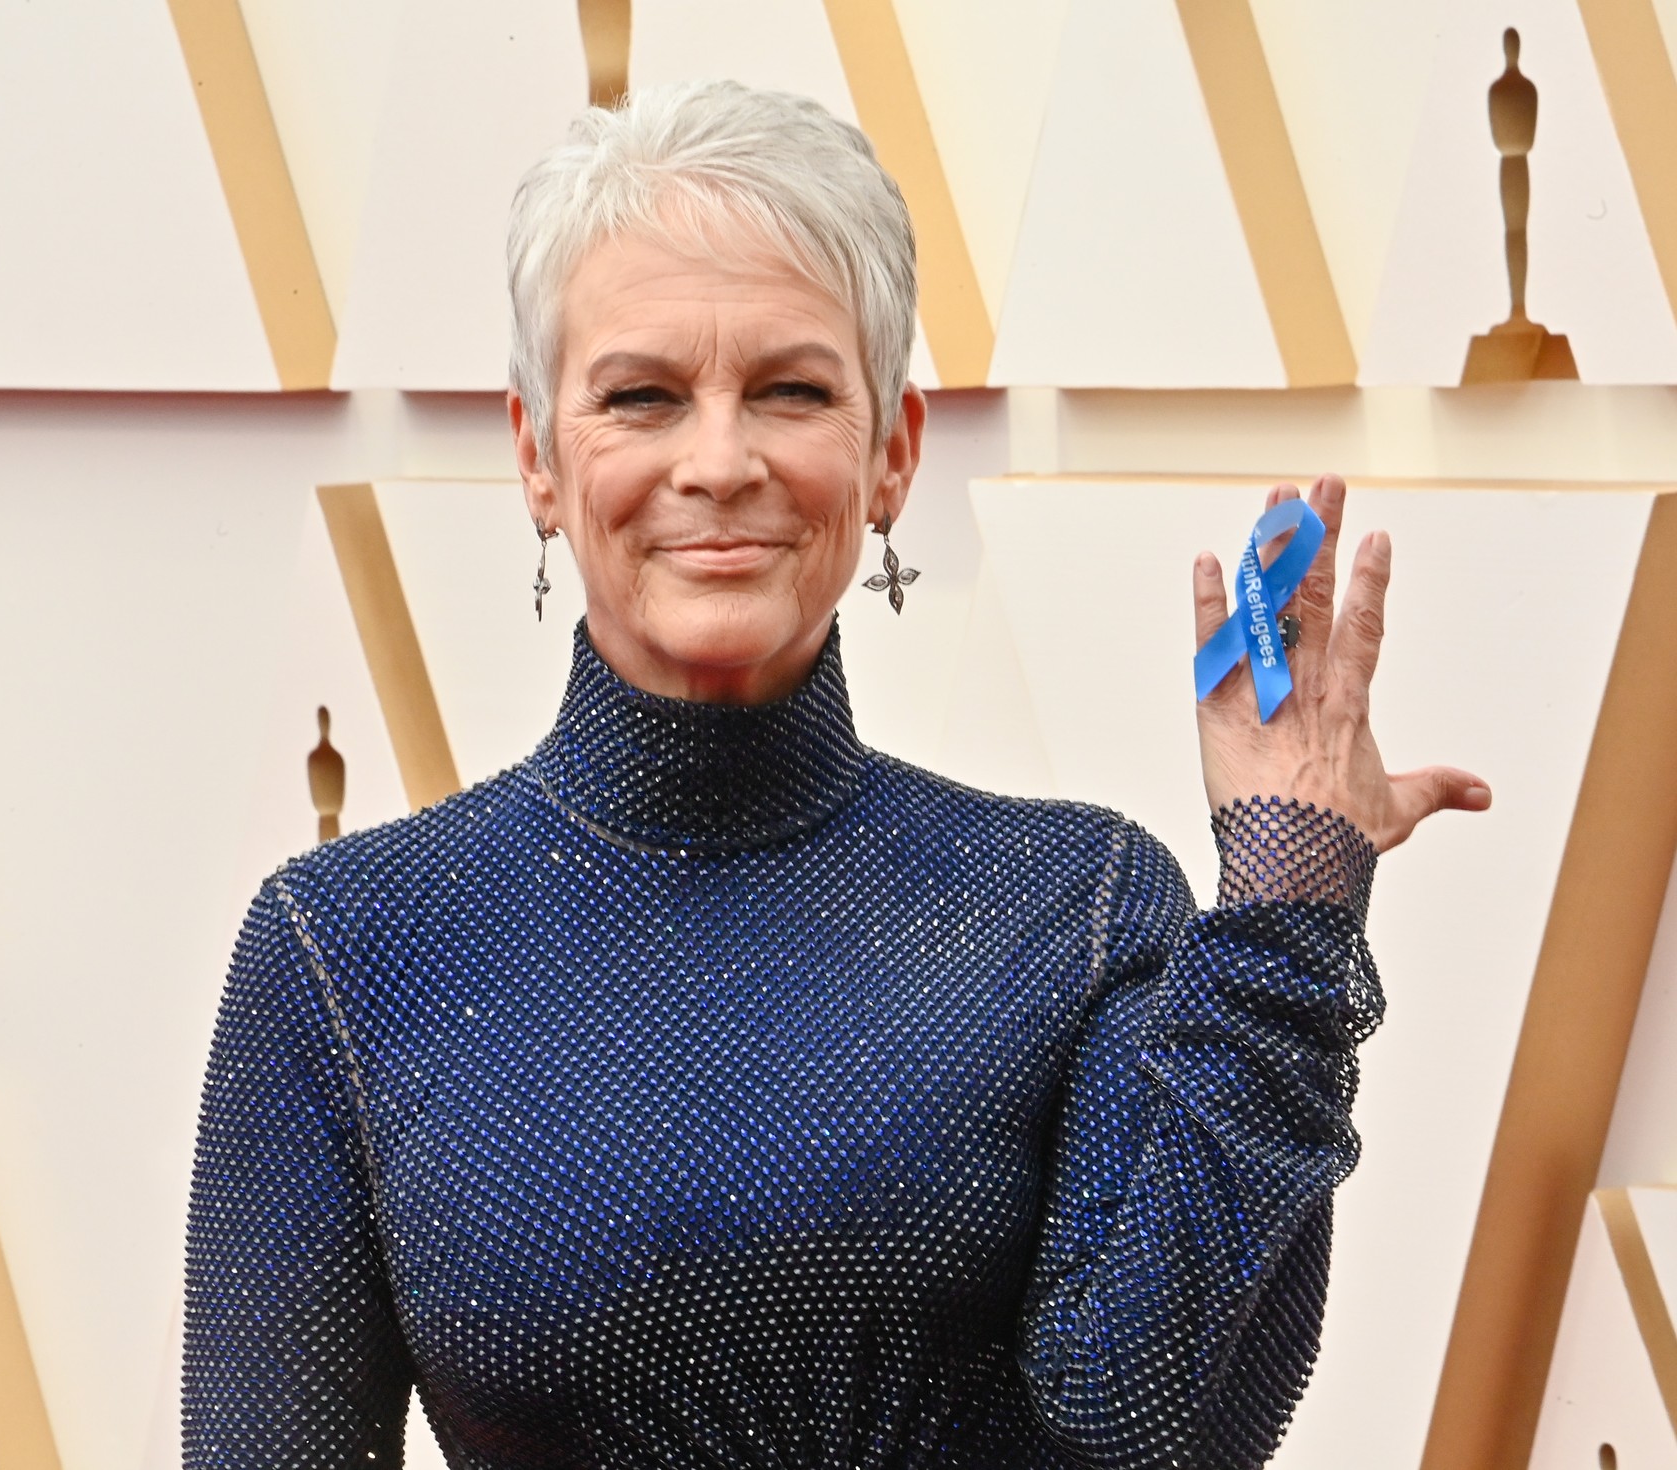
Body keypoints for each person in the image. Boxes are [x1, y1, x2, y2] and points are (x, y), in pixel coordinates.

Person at [182, 81, 1488, 1468]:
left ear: (891, 454)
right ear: (538, 458)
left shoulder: (1080, 900)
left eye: (792, 391)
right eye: (641, 397)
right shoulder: (347, 949)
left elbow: (1150, 1428)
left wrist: (1289, 901)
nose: (720, 461)